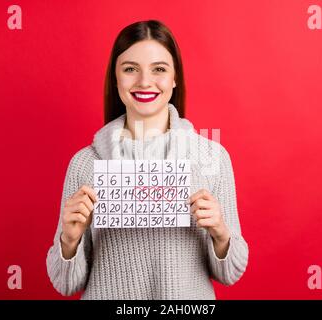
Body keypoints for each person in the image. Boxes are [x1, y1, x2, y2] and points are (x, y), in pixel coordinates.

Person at [46, 20, 249, 300]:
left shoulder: (211, 158)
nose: (144, 81)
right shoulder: (85, 164)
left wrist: (221, 234)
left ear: (175, 77)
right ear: (115, 78)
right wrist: (69, 241)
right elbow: (65, 284)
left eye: (159, 69)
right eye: (130, 69)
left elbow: (230, 274)